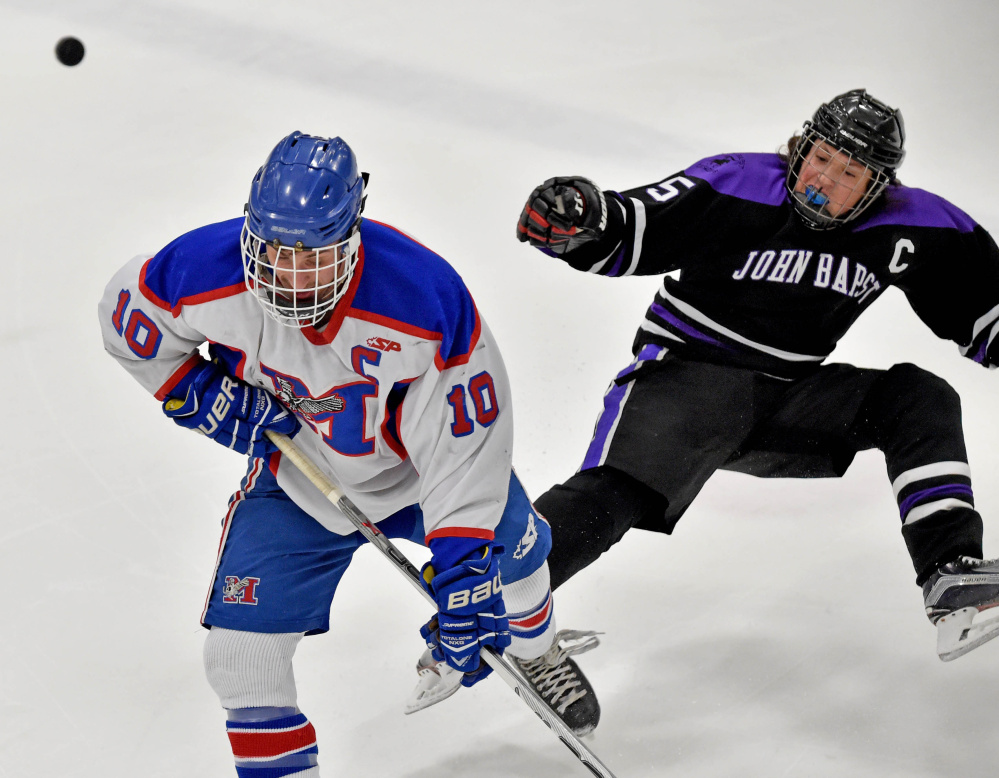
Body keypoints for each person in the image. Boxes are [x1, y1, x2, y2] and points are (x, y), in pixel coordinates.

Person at [99, 131, 600, 778]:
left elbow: (465, 443)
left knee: (519, 562)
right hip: (301, 477)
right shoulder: (199, 270)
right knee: (238, 658)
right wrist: (190, 389)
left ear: (351, 235)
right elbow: (127, 322)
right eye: (275, 254)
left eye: (311, 258)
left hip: (423, 478)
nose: (290, 277)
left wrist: (462, 564)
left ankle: (537, 649)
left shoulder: (421, 299)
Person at [516, 89, 999, 662]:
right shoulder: (739, 183)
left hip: (788, 399)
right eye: (820, 157)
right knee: (624, 487)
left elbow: (984, 312)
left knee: (916, 397)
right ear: (800, 147)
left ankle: (950, 578)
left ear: (877, 186)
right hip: (688, 378)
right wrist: (582, 220)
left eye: (849, 172)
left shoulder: (917, 227)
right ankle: (500, 590)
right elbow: (636, 224)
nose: (826, 179)